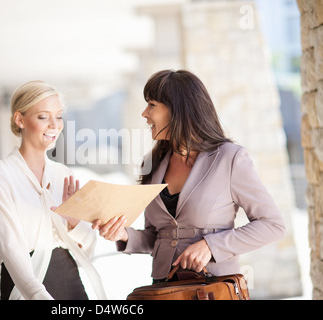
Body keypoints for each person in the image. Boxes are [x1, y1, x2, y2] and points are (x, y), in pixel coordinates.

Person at [92, 69, 286, 282]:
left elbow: (272, 225)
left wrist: (212, 246)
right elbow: (158, 237)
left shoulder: (229, 158)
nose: (144, 113)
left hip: (213, 286)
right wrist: (124, 235)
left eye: (152, 105)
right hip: (164, 289)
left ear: (177, 110)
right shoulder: (152, 163)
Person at [0, 80, 106, 300]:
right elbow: (12, 250)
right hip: (26, 288)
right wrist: (39, 297)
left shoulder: (62, 174)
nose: (55, 125)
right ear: (20, 119)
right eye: (43, 116)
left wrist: (73, 222)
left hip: (70, 282)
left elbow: (87, 250)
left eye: (58, 116)